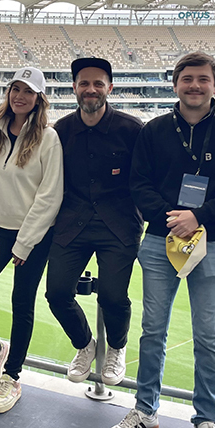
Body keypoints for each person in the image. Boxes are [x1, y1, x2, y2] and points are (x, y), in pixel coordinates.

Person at [106, 53, 215, 428]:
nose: (194, 86)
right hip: (158, 239)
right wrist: (173, 219)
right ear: (175, 84)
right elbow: (139, 184)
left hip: (213, 240)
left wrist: (198, 217)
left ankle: (206, 421)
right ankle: (145, 410)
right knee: (154, 330)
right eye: (187, 79)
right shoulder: (153, 131)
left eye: (203, 79)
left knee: (208, 335)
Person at [0, 67, 63, 413]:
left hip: (33, 235)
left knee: (23, 303)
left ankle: (12, 376)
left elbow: (50, 196)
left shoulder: (48, 138)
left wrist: (24, 243)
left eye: (28, 91)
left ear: (39, 98)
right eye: (15, 89)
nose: (20, 96)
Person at [45, 57, 143, 387]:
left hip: (118, 225)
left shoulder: (131, 129)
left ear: (109, 88)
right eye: (84, 83)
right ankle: (85, 345)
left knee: (113, 297)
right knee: (57, 293)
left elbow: (145, 179)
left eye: (98, 83)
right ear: (74, 88)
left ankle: (116, 347)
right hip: (72, 223)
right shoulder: (60, 131)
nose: (91, 89)